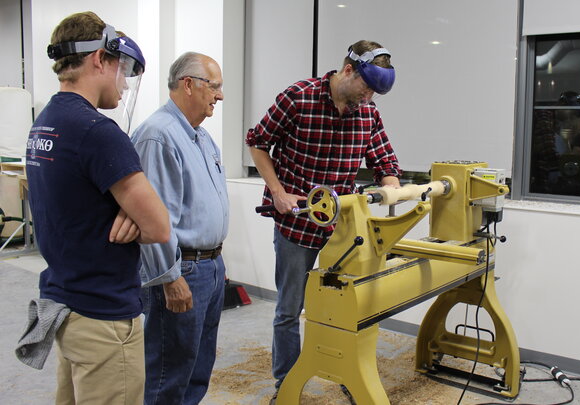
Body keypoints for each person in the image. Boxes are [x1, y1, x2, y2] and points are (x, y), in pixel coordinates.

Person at [22, 11, 170, 404]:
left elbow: (74, 205)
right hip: (103, 317)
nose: (123, 83)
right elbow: (159, 228)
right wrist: (134, 214)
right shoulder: (98, 132)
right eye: (121, 69)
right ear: (99, 60)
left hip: (67, 304)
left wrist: (124, 211)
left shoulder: (46, 123)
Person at [246, 40, 402, 403]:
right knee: (289, 310)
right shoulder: (298, 98)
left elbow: (385, 163)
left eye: (375, 93)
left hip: (344, 233)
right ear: (348, 70)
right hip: (297, 224)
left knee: (351, 309)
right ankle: (285, 386)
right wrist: (278, 191)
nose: (368, 98)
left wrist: (392, 187)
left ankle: (352, 373)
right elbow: (256, 142)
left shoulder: (368, 113)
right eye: (366, 88)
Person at [131, 52, 229, 405]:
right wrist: (169, 279)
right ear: (189, 84)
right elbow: (153, 219)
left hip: (209, 266)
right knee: (168, 372)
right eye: (214, 86)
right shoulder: (159, 136)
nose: (220, 95)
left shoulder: (199, 137)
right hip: (181, 269)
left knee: (198, 366)